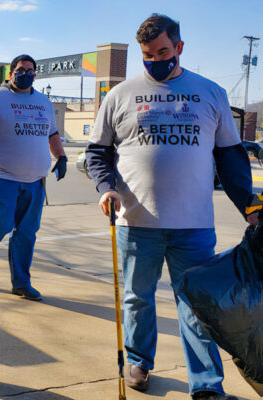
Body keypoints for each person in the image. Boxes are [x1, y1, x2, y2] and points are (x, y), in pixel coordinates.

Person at [86, 14, 255, 400]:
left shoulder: (210, 93)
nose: (154, 61)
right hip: (135, 220)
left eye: (162, 52)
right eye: (147, 55)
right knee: (137, 298)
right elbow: (98, 152)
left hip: (193, 224)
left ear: (179, 48)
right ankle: (139, 362)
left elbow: (230, 156)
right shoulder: (120, 96)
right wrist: (106, 187)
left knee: (195, 302)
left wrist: (249, 202)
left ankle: (207, 385)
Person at [0, 54, 67, 301]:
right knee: (0, 223)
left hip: (35, 181)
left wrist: (61, 157)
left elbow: (52, 133)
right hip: (3, 177)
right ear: (10, 74)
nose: (27, 74)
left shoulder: (43, 102)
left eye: (32, 71)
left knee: (27, 233)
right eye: (22, 69)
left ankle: (21, 283)